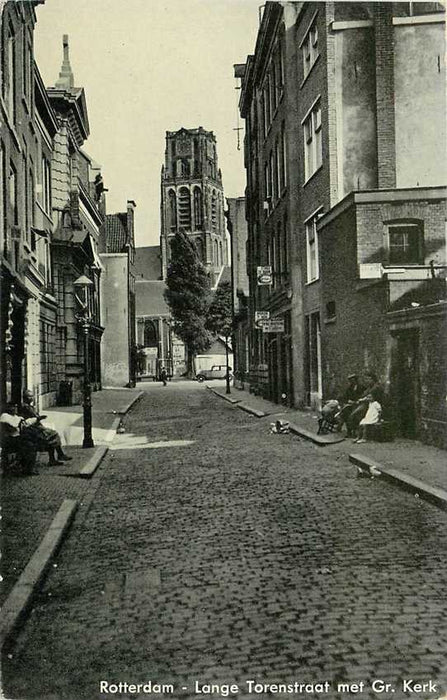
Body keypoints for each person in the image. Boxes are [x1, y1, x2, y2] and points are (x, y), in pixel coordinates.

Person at [20, 390, 72, 466]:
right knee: (54, 435)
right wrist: (40, 418)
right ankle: (58, 456)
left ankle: (54, 458)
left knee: (52, 436)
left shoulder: (28, 406)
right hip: (32, 430)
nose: (32, 398)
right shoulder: (26, 407)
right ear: (25, 398)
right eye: (29, 396)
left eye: (32, 396)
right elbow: (33, 418)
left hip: (36, 428)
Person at [0, 402, 40, 475]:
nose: (15, 409)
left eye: (16, 407)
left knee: (32, 444)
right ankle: (26, 469)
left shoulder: (17, 417)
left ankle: (27, 468)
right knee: (29, 446)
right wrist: (19, 425)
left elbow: (26, 423)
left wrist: (36, 419)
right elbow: (8, 428)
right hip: (9, 439)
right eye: (13, 407)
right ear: (8, 408)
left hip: (18, 439)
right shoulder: (5, 416)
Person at [347, 372, 383, 439]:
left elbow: (371, 397)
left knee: (355, 414)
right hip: (366, 404)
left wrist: (361, 400)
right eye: (366, 379)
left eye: (369, 379)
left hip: (373, 405)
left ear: (373, 379)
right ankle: (353, 431)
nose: (367, 381)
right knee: (349, 411)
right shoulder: (369, 387)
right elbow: (363, 394)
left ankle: (359, 434)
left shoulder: (376, 387)